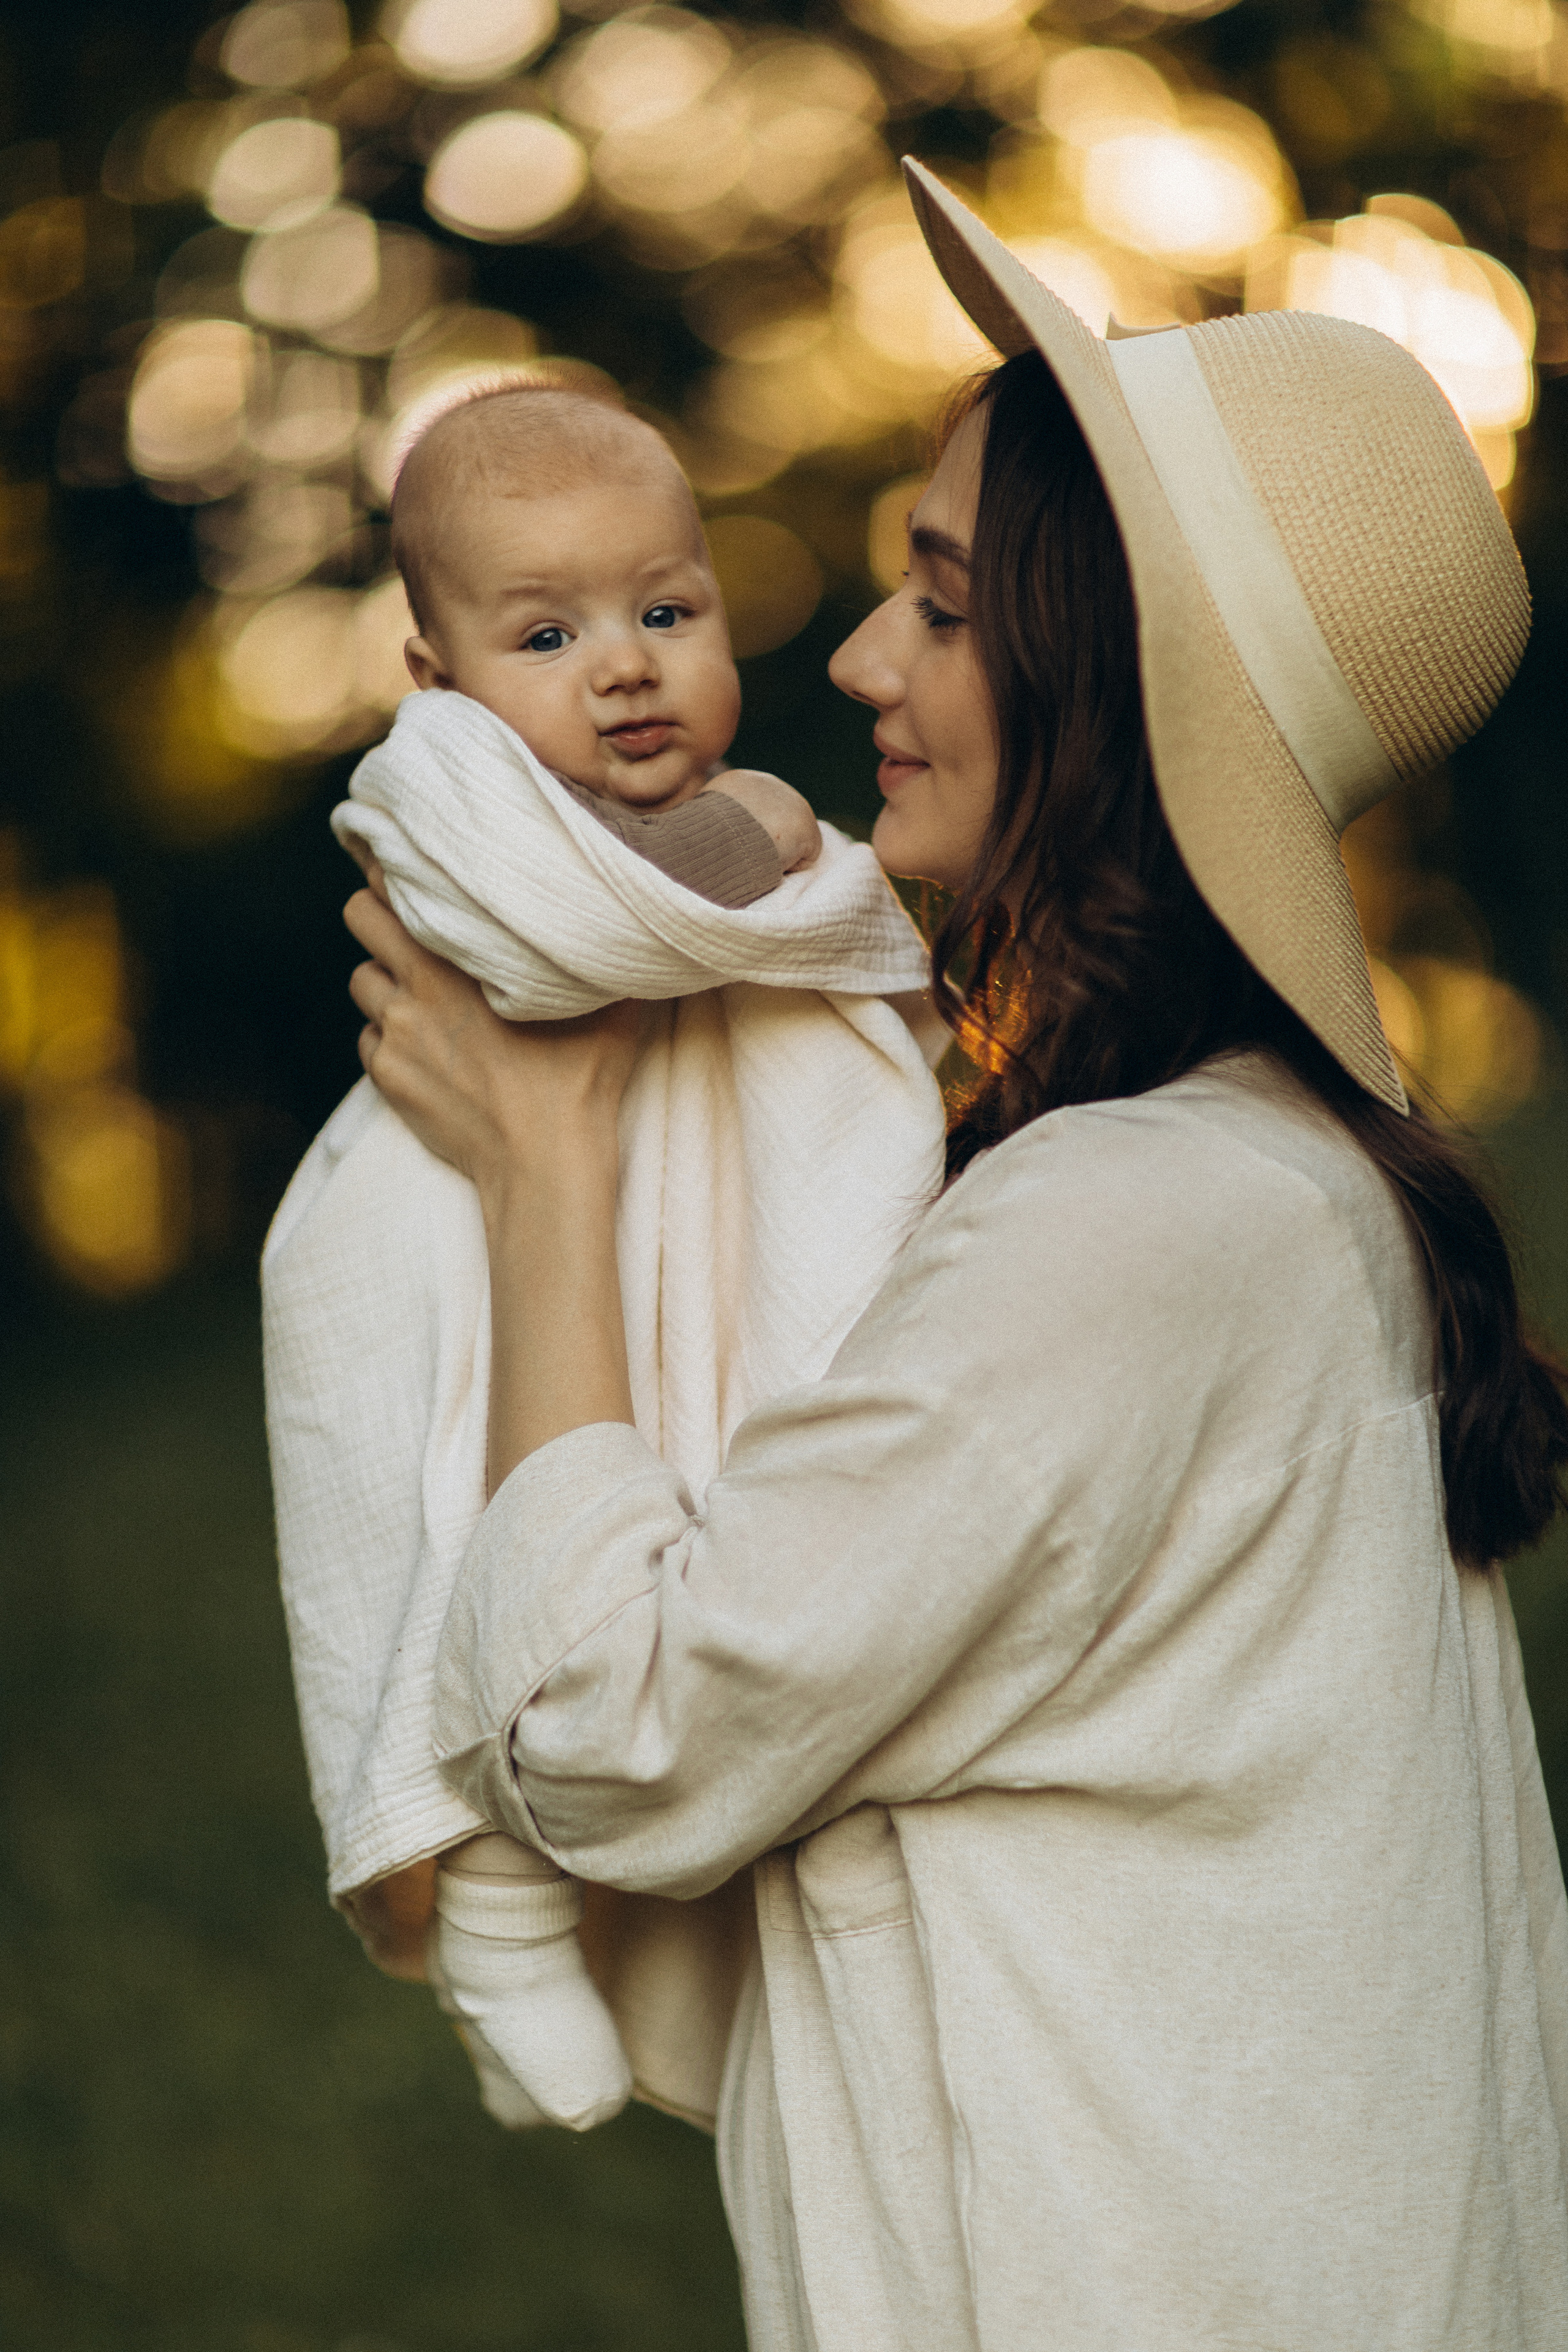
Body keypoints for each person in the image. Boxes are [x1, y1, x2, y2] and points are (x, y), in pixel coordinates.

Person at [341, 162, 1568, 2350]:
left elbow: (618, 1735)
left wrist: (545, 1164)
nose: (853, 656)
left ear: (1101, 682)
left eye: (943, 602)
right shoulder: (1289, 1185)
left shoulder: (1129, 1232)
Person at [262, 385, 944, 2137]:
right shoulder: (444, 798)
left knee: (692, 1537)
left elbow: (734, 910)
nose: (626, 668)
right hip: (462, 1237)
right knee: (465, 1514)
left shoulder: (751, 818)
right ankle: (496, 1906)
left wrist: (768, 847)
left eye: (666, 609)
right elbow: (567, 936)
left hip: (682, 1216)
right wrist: (762, 842)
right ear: (437, 684)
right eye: (548, 632)